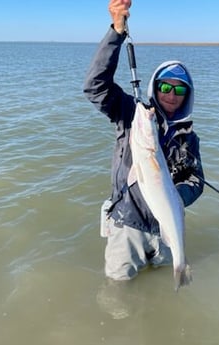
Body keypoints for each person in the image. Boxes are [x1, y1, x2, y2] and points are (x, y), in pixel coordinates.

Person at [83, 0, 204, 282]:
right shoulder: (132, 113)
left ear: (187, 96)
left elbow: (197, 180)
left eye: (179, 90)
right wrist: (116, 30)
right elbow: (94, 86)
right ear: (155, 87)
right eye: (165, 87)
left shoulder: (189, 137)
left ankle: (179, 268)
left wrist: (178, 196)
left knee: (160, 288)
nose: (171, 95)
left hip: (164, 229)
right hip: (129, 225)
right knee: (118, 292)